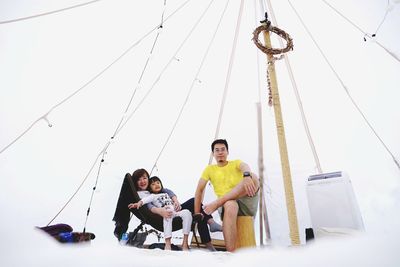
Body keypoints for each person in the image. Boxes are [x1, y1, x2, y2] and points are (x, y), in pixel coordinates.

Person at [112, 168, 221, 251]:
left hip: (173, 209)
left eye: (145, 178)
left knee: (197, 210)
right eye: (139, 179)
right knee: (195, 204)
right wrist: (160, 211)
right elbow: (149, 206)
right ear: (135, 182)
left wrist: (175, 200)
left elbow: (165, 190)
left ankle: (210, 225)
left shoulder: (150, 189)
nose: (142, 181)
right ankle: (210, 232)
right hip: (165, 215)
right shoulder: (142, 195)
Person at [194, 139, 259, 252]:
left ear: (227, 152)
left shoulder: (235, 163)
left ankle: (217, 203)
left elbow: (245, 166)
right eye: (217, 150)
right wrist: (197, 213)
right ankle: (231, 254)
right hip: (227, 206)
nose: (220, 152)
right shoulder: (209, 169)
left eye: (223, 149)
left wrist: (247, 175)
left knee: (253, 176)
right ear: (213, 153)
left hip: (246, 201)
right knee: (230, 204)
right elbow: (199, 189)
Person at [129, 176, 192, 250]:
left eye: (158, 183)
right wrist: (138, 203)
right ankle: (167, 244)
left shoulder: (166, 193)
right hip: (166, 213)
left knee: (187, 212)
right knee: (167, 214)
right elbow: (145, 200)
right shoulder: (153, 196)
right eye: (153, 184)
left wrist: (176, 204)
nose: (156, 185)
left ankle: (185, 242)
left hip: (175, 212)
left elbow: (171, 194)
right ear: (150, 188)